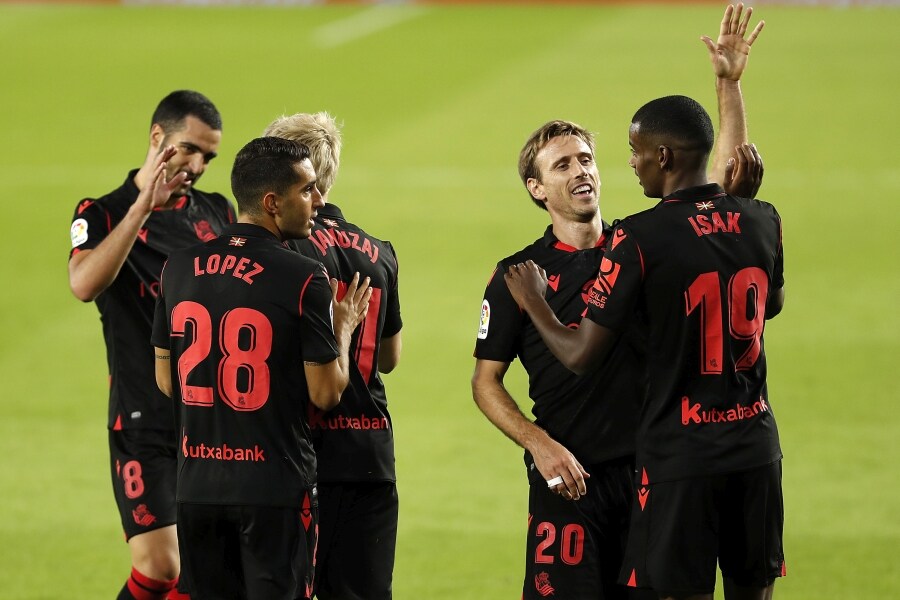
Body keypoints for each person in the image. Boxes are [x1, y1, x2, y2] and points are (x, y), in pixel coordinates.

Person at [472, 5, 764, 599]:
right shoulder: (517, 274)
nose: (581, 170)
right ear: (537, 189)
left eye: (586, 158)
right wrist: (541, 445)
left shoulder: (643, 245)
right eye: (562, 164)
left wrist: (728, 88)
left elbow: (720, 192)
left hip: (654, 473)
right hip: (567, 481)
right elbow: (486, 382)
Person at [151, 136, 372, 600]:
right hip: (274, 489)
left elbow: (167, 379)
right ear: (272, 203)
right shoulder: (301, 276)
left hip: (197, 489)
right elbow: (326, 393)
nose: (318, 200)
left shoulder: (179, 267)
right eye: (307, 190)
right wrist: (345, 327)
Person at [68, 90, 235, 600]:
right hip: (143, 419)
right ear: (157, 137)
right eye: (189, 149)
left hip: (212, 415)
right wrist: (143, 209)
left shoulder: (216, 213)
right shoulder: (102, 212)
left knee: (203, 569)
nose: (198, 165)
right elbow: (83, 284)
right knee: (161, 566)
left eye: (208, 156)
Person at [263, 112, 403, 600]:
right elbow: (389, 357)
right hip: (370, 452)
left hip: (305, 453)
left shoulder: (286, 253)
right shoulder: (379, 251)